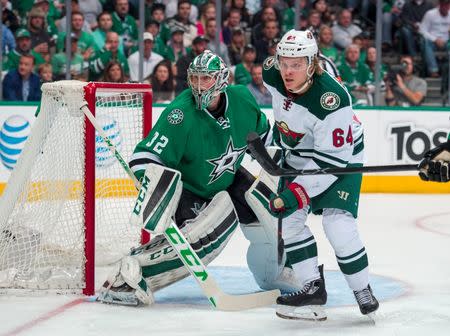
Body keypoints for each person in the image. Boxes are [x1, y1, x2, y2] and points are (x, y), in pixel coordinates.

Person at [98, 50, 300, 307]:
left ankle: (278, 271)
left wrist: (287, 162)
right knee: (209, 236)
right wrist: (157, 193)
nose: (198, 85)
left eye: (206, 79)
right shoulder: (179, 114)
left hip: (230, 177)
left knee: (269, 207)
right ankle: (130, 275)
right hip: (191, 189)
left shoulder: (242, 99)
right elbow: (144, 157)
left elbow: (264, 137)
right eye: (194, 79)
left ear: (221, 80)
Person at [262, 29, 379, 319]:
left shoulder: (332, 100)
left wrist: (297, 192)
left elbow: (331, 160)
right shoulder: (271, 73)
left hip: (341, 158)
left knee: (337, 225)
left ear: (312, 63)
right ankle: (312, 287)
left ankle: (362, 288)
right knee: (288, 221)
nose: (288, 71)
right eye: (284, 62)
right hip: (300, 153)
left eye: (297, 64)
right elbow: (285, 112)